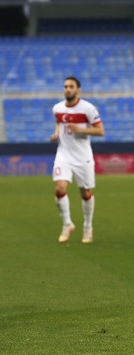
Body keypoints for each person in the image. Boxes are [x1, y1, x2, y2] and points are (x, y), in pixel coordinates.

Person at [51, 76, 104, 243]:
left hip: (83, 156)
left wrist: (80, 129)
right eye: (66, 86)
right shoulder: (57, 108)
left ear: (78, 90)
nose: (68, 89)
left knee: (85, 192)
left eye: (71, 87)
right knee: (59, 188)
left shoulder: (88, 108)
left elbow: (100, 131)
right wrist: (57, 133)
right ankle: (67, 223)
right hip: (64, 154)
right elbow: (60, 122)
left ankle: (88, 226)